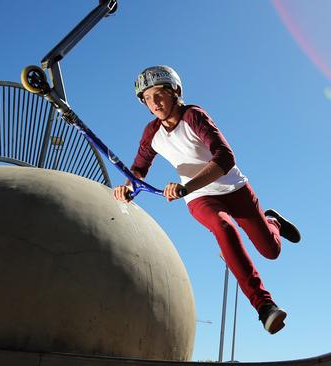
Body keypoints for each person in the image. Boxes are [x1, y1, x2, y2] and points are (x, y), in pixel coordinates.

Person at [113, 65, 301, 335]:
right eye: (147, 98)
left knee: (272, 251)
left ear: (175, 91)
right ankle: (264, 306)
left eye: (159, 94)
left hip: (233, 189)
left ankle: (273, 222)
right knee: (223, 228)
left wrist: (185, 187)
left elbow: (225, 157)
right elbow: (139, 168)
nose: (154, 103)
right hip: (200, 198)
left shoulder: (193, 116)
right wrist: (129, 186)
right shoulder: (151, 132)